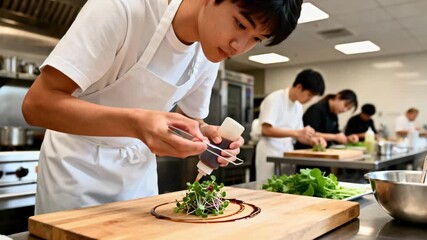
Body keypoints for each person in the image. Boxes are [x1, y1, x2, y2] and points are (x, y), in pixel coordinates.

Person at [21, 0, 303, 214]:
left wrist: (208, 138)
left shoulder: (210, 55)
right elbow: (37, 105)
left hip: (138, 180)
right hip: (75, 173)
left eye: (256, 39)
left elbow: (189, 122)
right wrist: (136, 124)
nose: (239, 46)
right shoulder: (123, 9)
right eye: (240, 24)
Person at [255, 69, 326, 182]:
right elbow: (266, 130)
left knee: (286, 189)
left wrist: (312, 141)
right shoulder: (275, 99)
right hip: (269, 151)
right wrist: (297, 133)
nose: (310, 99)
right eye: (309, 95)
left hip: (287, 152)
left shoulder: (298, 106)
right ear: (299, 87)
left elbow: (299, 135)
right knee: (266, 188)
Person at [295, 89, 359, 149]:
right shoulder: (317, 109)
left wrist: (348, 138)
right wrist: (335, 137)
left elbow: (336, 133)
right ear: (338, 97)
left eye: (348, 109)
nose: (344, 110)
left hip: (321, 150)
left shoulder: (334, 115)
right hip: (306, 150)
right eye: (345, 105)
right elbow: (308, 133)